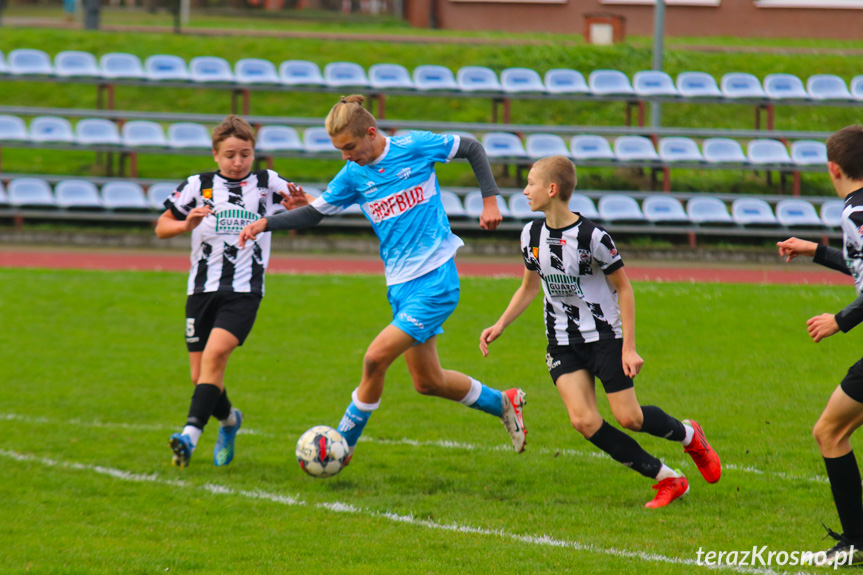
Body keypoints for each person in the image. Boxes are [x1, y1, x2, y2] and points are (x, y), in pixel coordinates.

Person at [239, 94, 527, 464]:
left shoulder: (413, 146)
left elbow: (471, 147)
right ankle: (503, 401)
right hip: (400, 286)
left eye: (349, 147)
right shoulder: (353, 174)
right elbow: (315, 213)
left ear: (371, 133)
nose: (345, 156)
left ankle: (342, 444)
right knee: (428, 382)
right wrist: (266, 223)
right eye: (339, 149)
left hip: (436, 280)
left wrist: (491, 200)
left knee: (375, 359)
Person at [479, 156, 721, 508]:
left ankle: (689, 434)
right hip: (562, 341)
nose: (524, 190)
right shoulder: (530, 234)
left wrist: (629, 348)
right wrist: (500, 324)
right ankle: (668, 479)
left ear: (552, 189)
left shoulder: (593, 237)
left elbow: (624, 288)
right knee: (583, 420)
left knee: (629, 418)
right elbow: (529, 287)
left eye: (531, 183)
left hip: (606, 337)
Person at [156, 114, 293, 469]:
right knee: (200, 375)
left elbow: (310, 203)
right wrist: (185, 223)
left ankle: (189, 435)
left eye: (245, 154)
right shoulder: (197, 185)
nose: (238, 162)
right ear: (215, 154)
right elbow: (161, 227)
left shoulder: (266, 184)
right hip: (200, 290)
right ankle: (230, 421)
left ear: (254, 154)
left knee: (215, 358)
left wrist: (301, 204)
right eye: (230, 155)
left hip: (244, 290)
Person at [777, 125, 863, 566]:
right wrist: (815, 250)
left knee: (829, 432)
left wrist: (840, 320)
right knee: (833, 430)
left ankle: (856, 543)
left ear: (833, 168)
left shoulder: (856, 213)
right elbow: (858, 264)